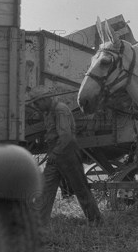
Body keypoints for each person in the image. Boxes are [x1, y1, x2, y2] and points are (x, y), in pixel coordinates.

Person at [27, 85, 102, 226]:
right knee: (45, 187)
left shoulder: (60, 110)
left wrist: (54, 154)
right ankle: (38, 222)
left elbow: (67, 137)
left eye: (37, 103)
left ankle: (95, 220)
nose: (36, 106)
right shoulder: (48, 111)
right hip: (56, 152)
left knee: (80, 188)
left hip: (67, 153)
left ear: (45, 99)